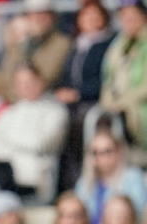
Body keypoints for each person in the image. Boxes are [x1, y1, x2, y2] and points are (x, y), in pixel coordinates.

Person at [0, 63, 68, 197]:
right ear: (15, 87)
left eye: (30, 81)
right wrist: (17, 152)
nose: (27, 86)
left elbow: (39, 144)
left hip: (34, 179)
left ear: (41, 81)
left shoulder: (56, 111)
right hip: (5, 172)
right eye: (21, 83)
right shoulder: (10, 112)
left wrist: (7, 138)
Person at [56, 1, 114, 188]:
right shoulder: (77, 46)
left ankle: (82, 178)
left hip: (92, 101)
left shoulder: (107, 45)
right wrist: (62, 91)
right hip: (72, 102)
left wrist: (78, 93)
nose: (91, 20)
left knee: (78, 123)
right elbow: (66, 75)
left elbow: (105, 80)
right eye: (86, 15)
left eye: (95, 15)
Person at [74, 130, 147, 224]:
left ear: (119, 152)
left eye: (107, 151)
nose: (102, 157)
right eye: (96, 152)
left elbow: (139, 213)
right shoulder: (83, 184)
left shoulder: (132, 178)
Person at [100, 0, 147, 145]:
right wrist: (108, 101)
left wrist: (124, 102)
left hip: (138, 105)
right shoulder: (117, 44)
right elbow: (108, 78)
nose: (128, 21)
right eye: (124, 18)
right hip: (117, 104)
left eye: (133, 17)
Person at [1, 0, 72, 92]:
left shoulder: (62, 43)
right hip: (19, 102)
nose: (38, 18)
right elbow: (6, 77)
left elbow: (44, 79)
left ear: (52, 16)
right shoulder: (23, 43)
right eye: (33, 14)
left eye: (43, 14)